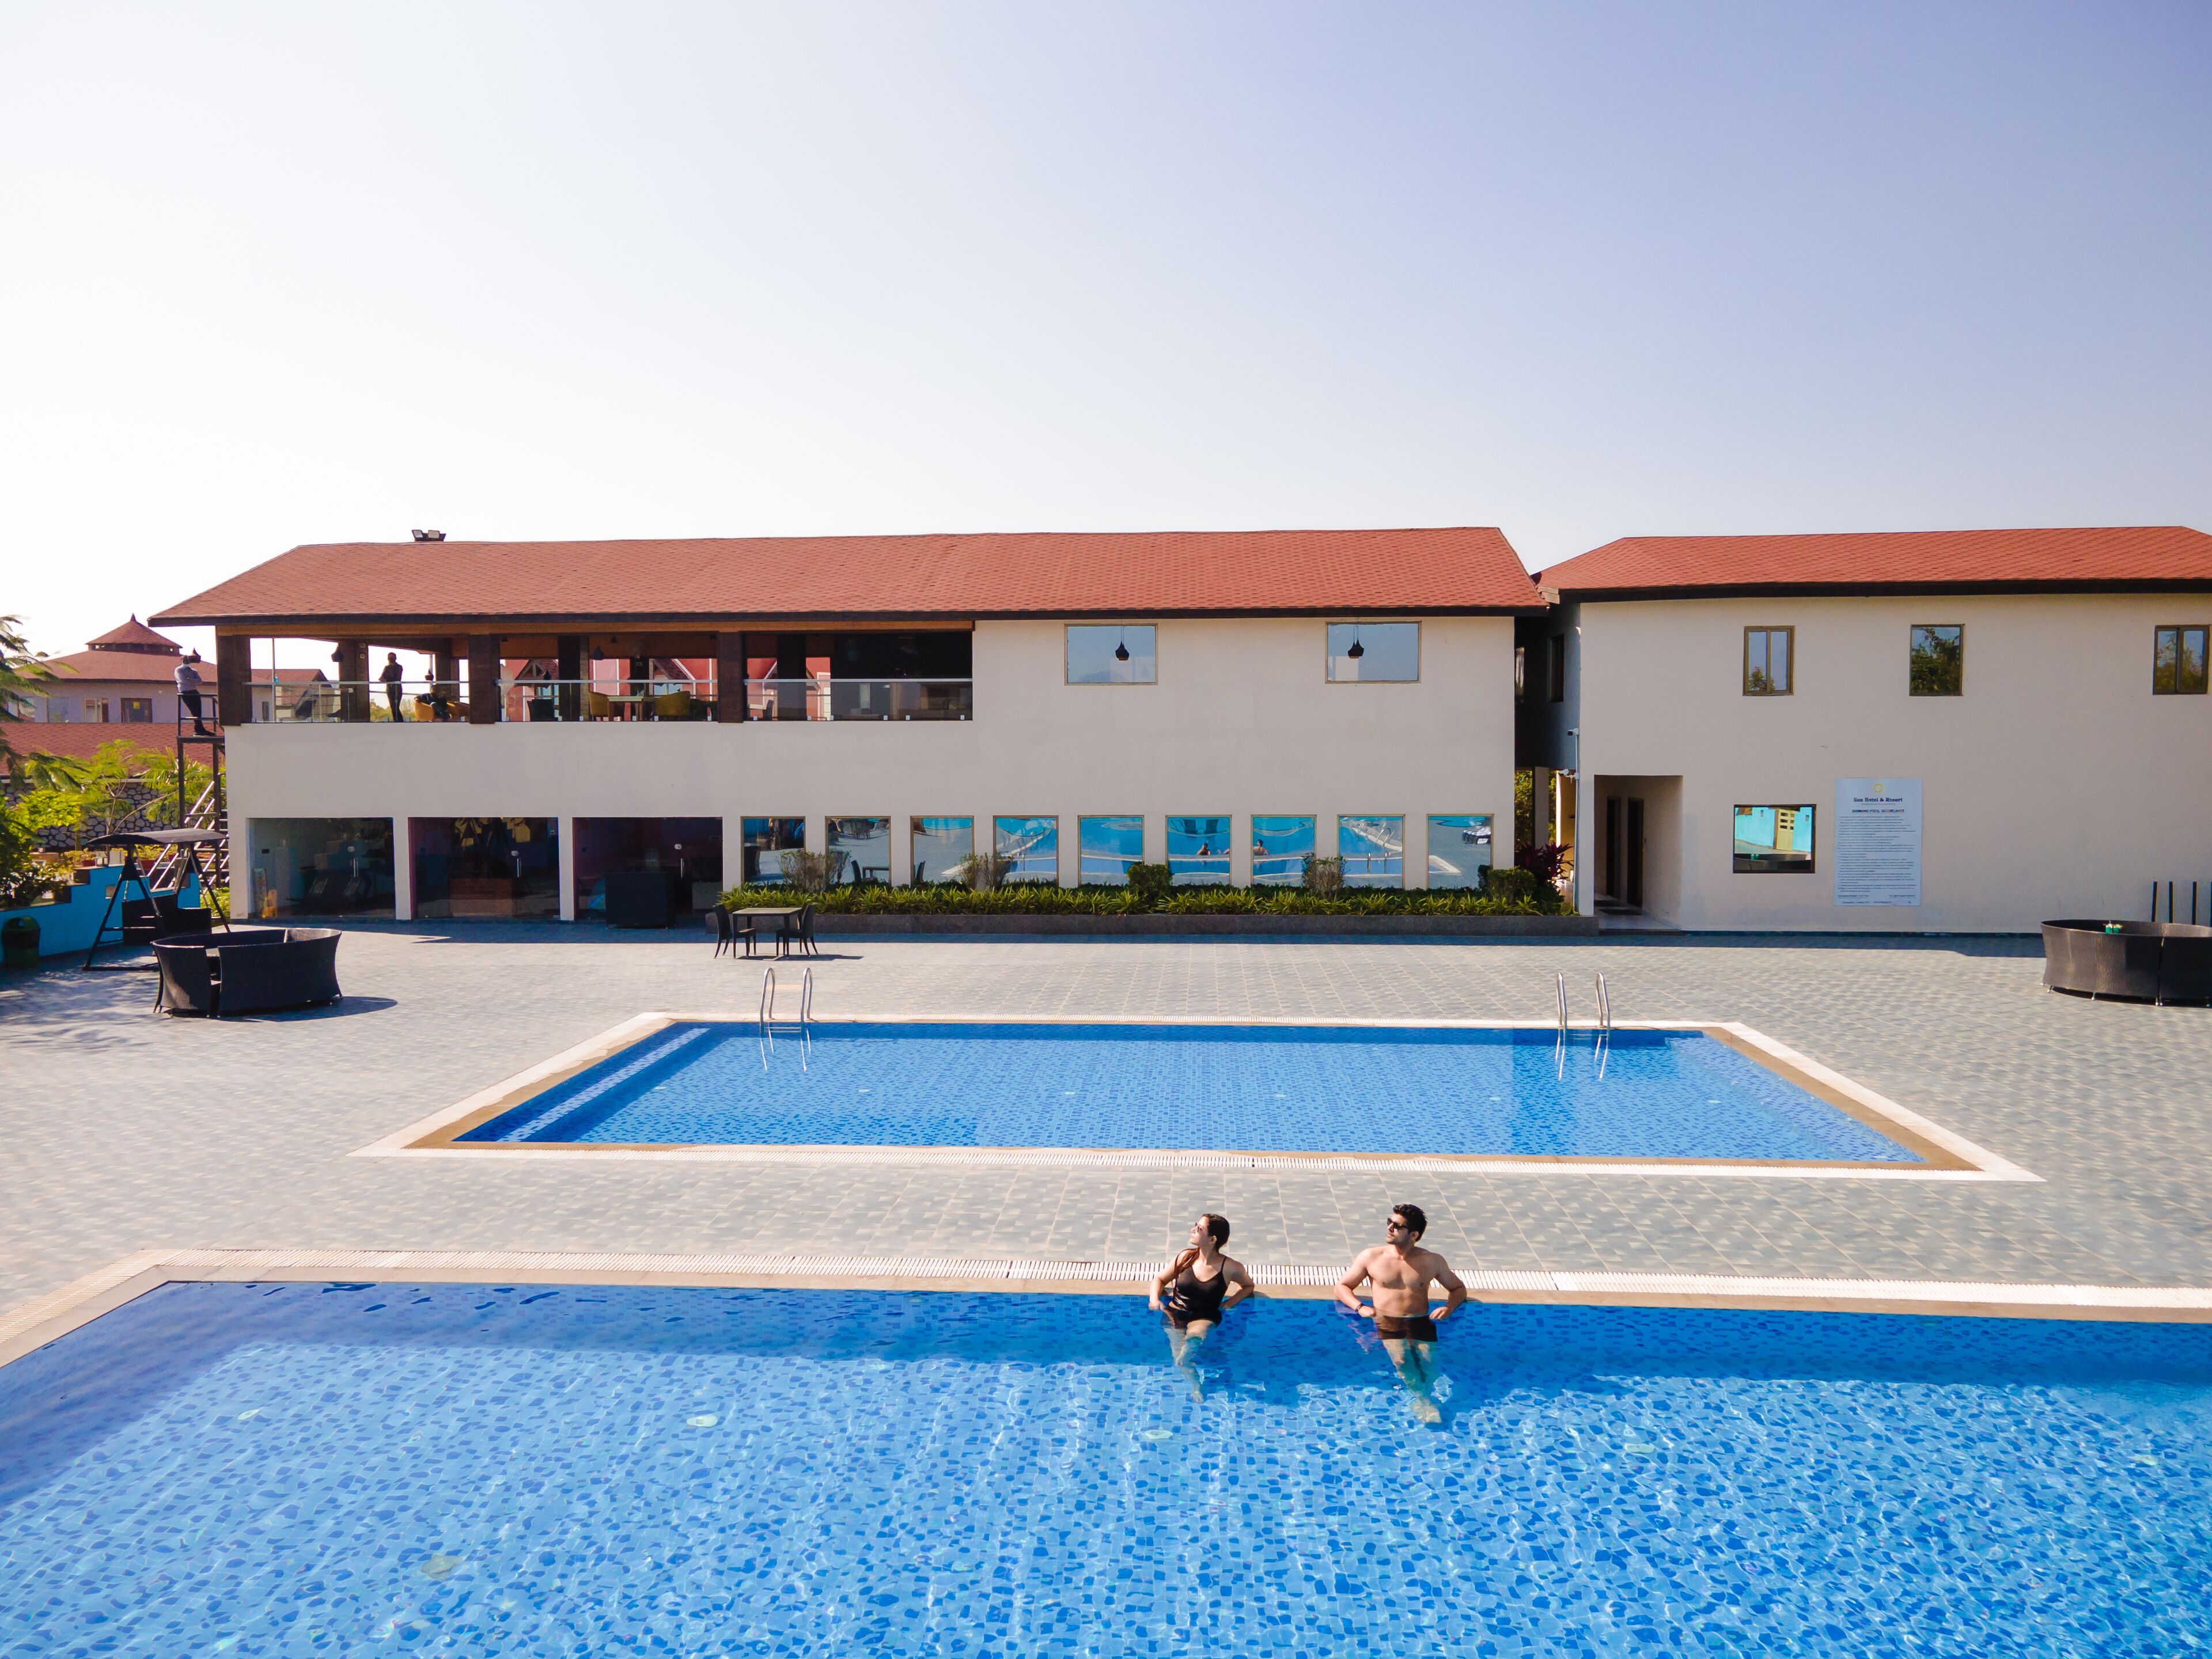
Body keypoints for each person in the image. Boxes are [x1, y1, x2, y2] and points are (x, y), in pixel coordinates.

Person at [1336, 1203, 1469, 1423]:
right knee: (1400, 1360)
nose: (1390, 1228)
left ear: (1414, 1235)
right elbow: (1342, 1286)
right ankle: (1425, 1402)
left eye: (1397, 1226)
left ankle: (1423, 1398)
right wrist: (1360, 1307)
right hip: (1387, 1321)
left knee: (1429, 1364)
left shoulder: (1431, 1261)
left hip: (1421, 1321)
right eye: (1389, 1223)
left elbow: (1458, 1289)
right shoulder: (1372, 1256)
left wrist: (1449, 1307)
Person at [1149, 1213, 1255, 1401]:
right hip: (1175, 1312)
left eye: (1199, 1229)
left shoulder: (1229, 1267)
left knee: (1196, 1335)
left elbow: (1248, 1286)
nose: (1193, 1230)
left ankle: (1189, 1350)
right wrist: (1154, 1299)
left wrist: (1231, 1302)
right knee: (1180, 1361)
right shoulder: (1185, 1257)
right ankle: (1196, 1384)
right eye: (1195, 1225)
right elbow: (1160, 1278)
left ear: (1212, 1239)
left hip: (1205, 1315)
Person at [174, 650, 209, 736]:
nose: (187, 662)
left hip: (195, 692)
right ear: (182, 661)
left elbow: (200, 681)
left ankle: (200, 729)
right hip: (186, 693)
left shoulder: (193, 671)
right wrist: (193, 681)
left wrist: (190, 680)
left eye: (188, 660)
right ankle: (198, 729)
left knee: (198, 711)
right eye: (185, 660)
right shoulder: (179, 670)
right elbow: (184, 681)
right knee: (193, 711)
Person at [379, 652, 406, 721]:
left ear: (396, 658)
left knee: (396, 707)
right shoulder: (386, 667)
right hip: (390, 690)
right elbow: (382, 678)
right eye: (389, 658)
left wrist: (387, 678)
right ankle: (397, 721)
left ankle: (400, 722)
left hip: (397, 689)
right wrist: (387, 678)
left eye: (392, 657)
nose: (390, 659)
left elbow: (397, 677)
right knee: (393, 707)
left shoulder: (399, 667)